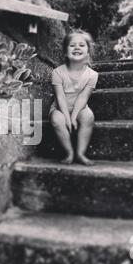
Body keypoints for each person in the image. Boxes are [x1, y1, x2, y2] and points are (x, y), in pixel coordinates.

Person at [49, 29, 98, 166]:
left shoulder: (92, 75)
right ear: (65, 51)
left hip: (80, 107)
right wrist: (66, 116)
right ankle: (69, 152)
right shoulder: (57, 72)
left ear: (88, 51)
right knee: (56, 119)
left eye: (82, 45)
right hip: (60, 107)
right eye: (72, 45)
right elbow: (60, 97)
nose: (77, 47)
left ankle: (80, 153)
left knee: (88, 117)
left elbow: (83, 97)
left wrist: (74, 116)